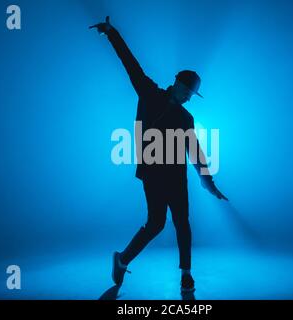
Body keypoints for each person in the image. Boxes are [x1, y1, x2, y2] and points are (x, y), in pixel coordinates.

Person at [90, 16, 227, 293]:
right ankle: (122, 259)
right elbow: (131, 65)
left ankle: (186, 274)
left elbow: (196, 151)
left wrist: (209, 182)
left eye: (192, 93)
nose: (189, 96)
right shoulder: (149, 93)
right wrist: (112, 33)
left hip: (176, 176)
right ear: (177, 83)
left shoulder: (187, 117)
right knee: (155, 223)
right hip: (153, 173)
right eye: (187, 90)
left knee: (182, 223)